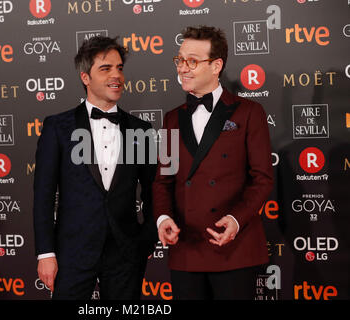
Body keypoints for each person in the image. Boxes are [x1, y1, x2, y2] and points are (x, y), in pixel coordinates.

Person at [152, 26, 274, 300]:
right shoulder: (172, 119)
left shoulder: (249, 112)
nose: (182, 68)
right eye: (180, 60)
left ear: (216, 65)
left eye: (192, 61)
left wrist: (235, 219)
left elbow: (262, 179)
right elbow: (163, 180)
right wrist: (163, 218)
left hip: (233, 249)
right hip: (186, 250)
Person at [33, 36, 158, 300]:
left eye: (120, 68)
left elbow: (153, 190)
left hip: (125, 253)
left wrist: (147, 238)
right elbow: (43, 197)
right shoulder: (58, 127)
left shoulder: (141, 131)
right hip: (72, 253)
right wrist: (46, 253)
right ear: (85, 78)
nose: (116, 75)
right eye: (106, 68)